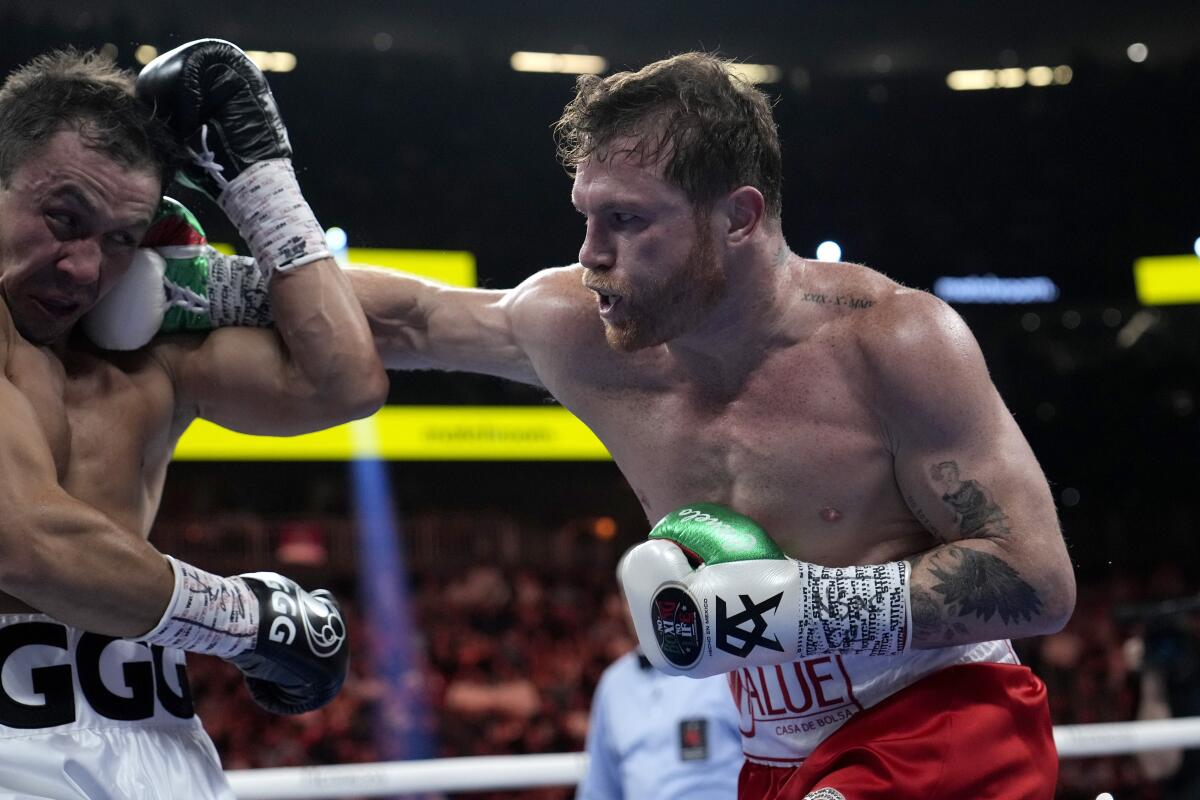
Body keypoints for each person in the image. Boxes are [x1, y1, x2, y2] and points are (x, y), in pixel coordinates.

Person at [127, 51, 1075, 797]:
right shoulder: (581, 331)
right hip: (779, 752)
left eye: (627, 220)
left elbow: (1039, 581)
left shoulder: (894, 340)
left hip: (946, 725)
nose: (592, 255)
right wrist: (203, 284)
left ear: (738, 217)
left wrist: (797, 608)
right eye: (586, 216)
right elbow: (412, 317)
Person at [0, 39, 387, 798]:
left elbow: (344, 382)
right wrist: (248, 622)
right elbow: (22, 543)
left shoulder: (150, 353)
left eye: (119, 238)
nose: (83, 268)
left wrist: (259, 178)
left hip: (157, 734)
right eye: (61, 216)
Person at [576, 553, 743, 800]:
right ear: (621, 605)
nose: (647, 605)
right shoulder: (613, 684)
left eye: (657, 591)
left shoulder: (726, 668)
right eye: (635, 596)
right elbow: (600, 788)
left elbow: (770, 765)